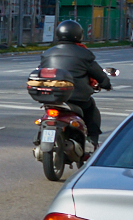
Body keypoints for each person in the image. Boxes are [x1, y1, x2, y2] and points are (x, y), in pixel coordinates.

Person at [42, 19, 112, 151]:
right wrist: (106, 84)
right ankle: (92, 141)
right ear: (78, 35)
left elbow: (42, 70)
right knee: (91, 110)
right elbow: (98, 74)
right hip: (77, 98)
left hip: (51, 97)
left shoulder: (48, 53)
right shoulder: (84, 54)